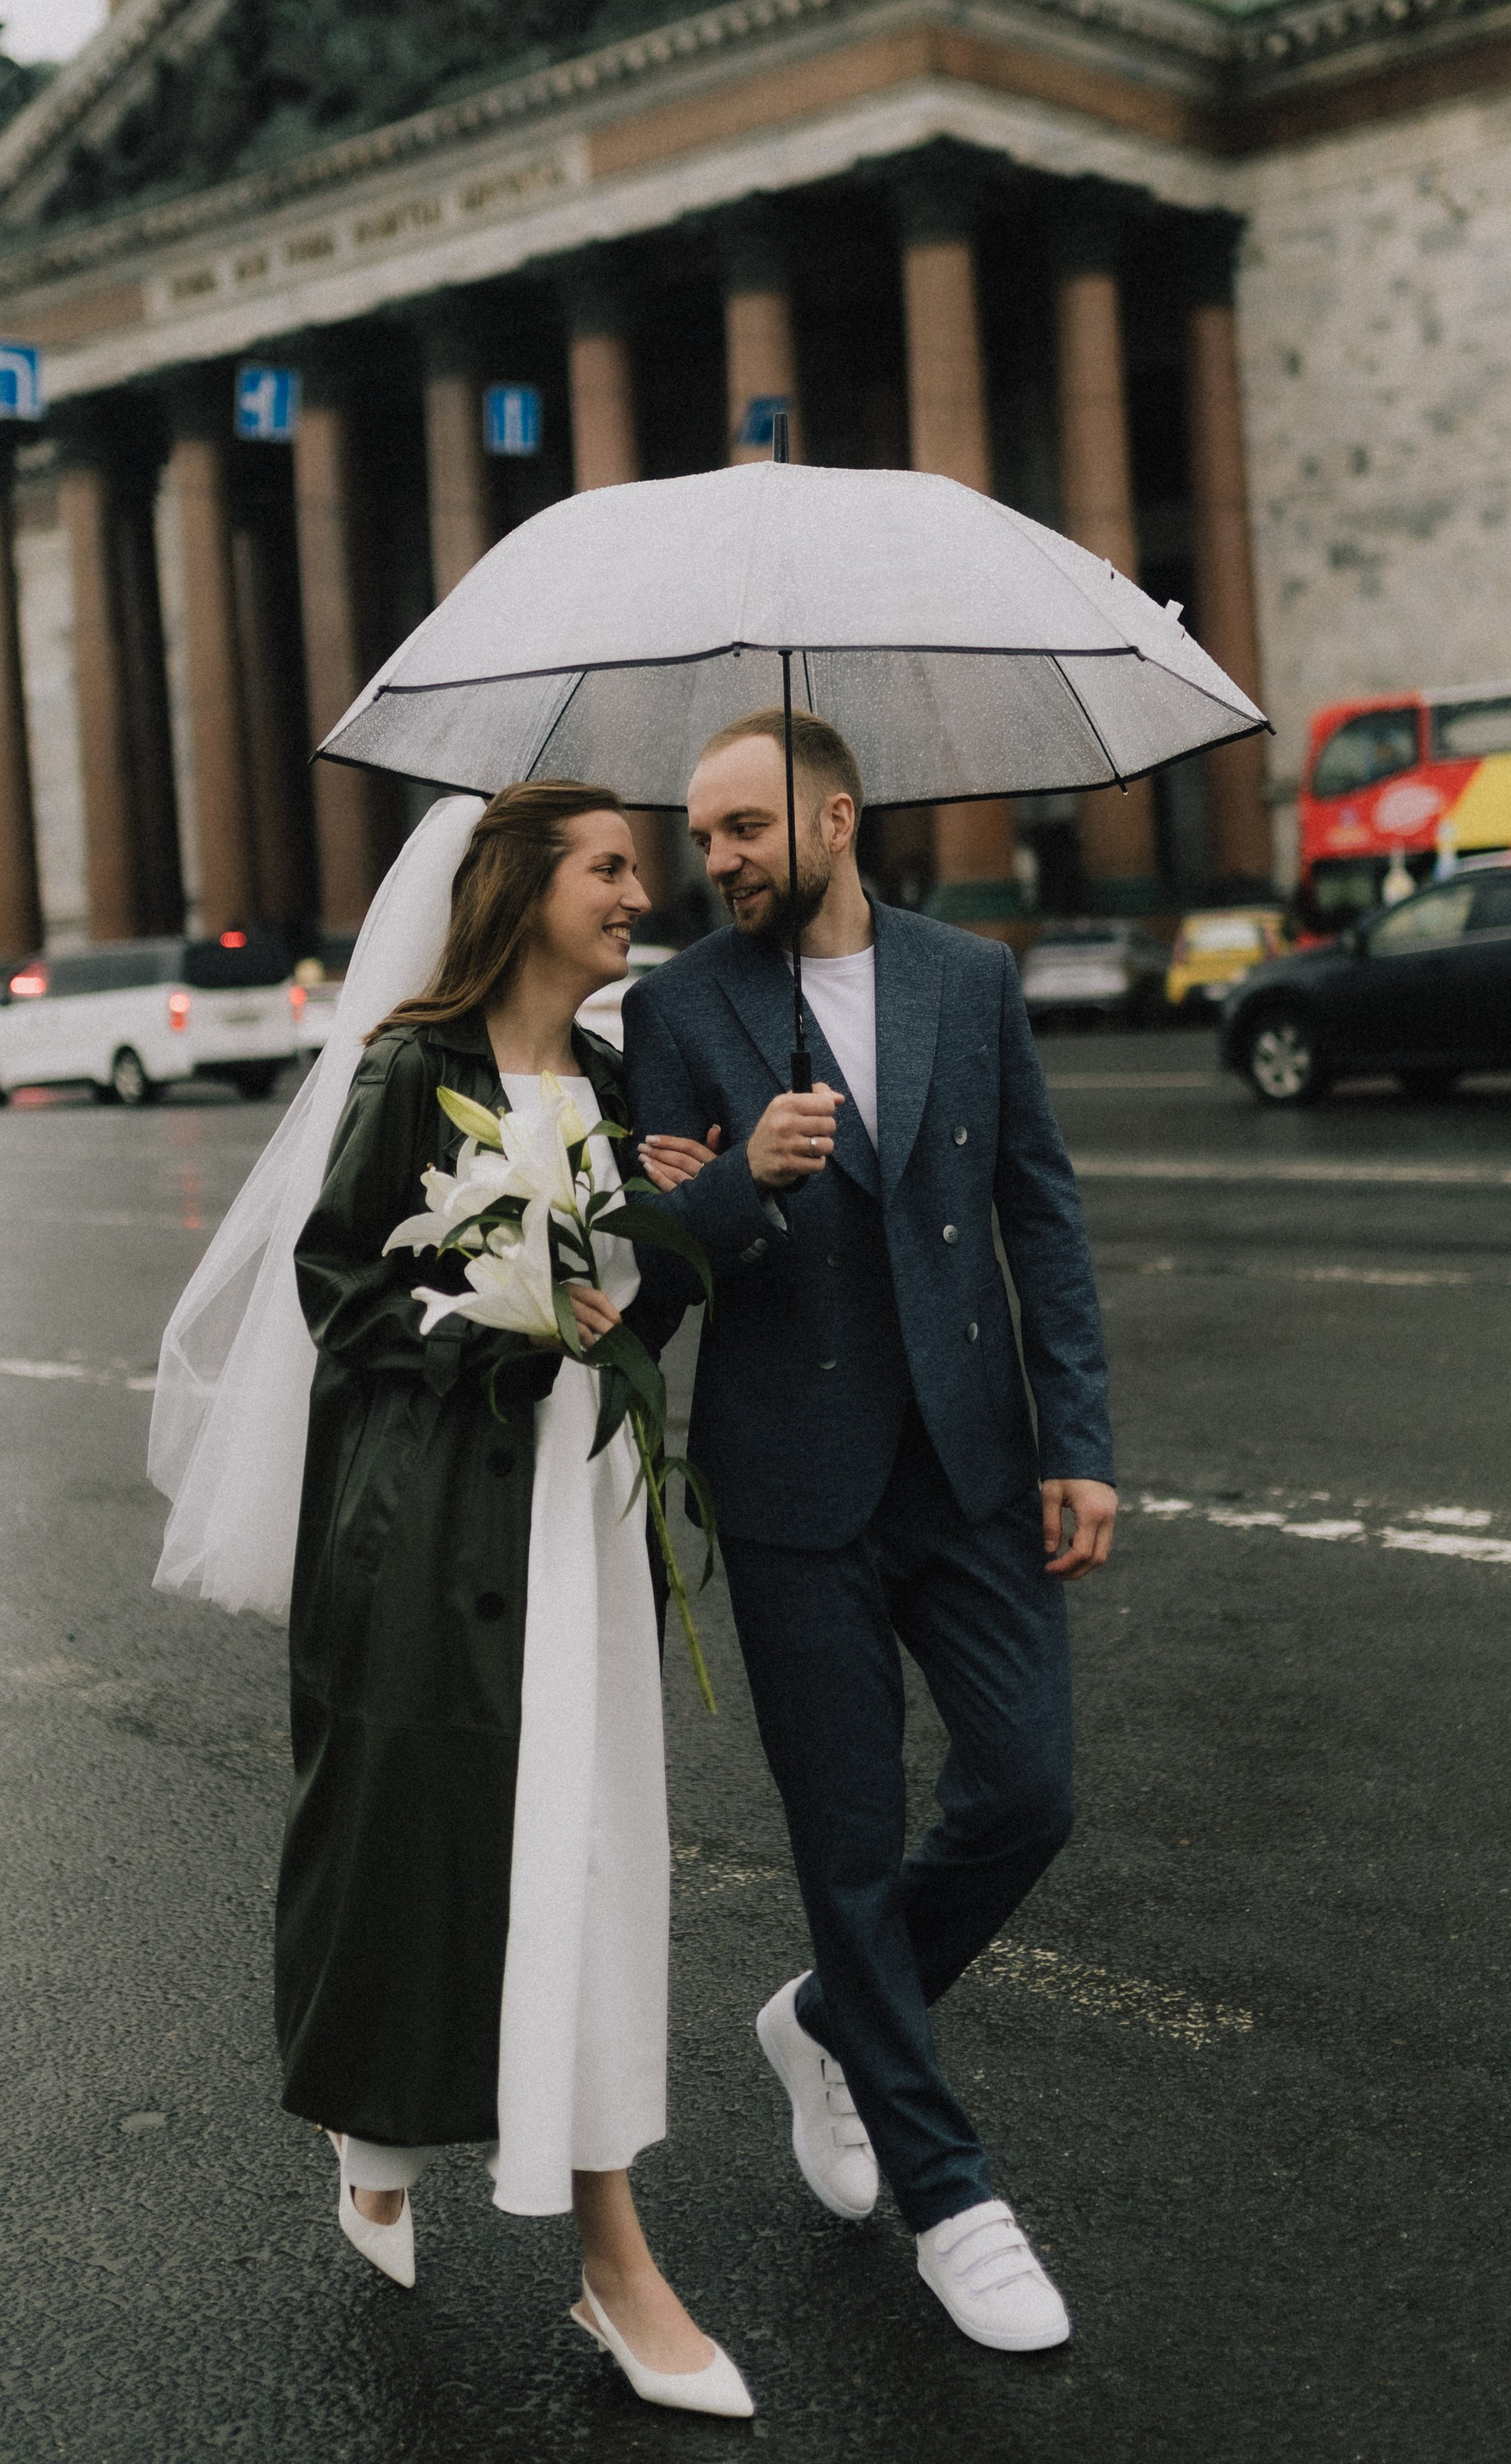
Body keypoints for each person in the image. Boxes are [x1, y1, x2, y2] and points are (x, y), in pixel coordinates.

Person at [148, 784, 751, 2423]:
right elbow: (340, 1289)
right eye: (609, 867)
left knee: (583, 1841)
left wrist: (686, 1220)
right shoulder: (413, 1068)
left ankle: (602, 2251)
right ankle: (393, 2129)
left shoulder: (616, 1083)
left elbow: (632, 1313)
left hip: (581, 1507)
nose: (641, 892)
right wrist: (497, 1326)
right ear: (523, 888)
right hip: (432, 1521)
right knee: (417, 1834)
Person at [624, 710, 1116, 2356]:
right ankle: (950, 2199)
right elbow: (654, 1270)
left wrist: (1078, 1441)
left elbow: (1037, 1209)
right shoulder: (678, 1008)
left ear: (836, 820)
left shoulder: (967, 980)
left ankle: (831, 2016)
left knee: (1026, 1791)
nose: (717, 859)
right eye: (703, 835)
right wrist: (736, 1185)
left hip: (969, 1466)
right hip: (788, 1486)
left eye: (745, 828)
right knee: (845, 1846)